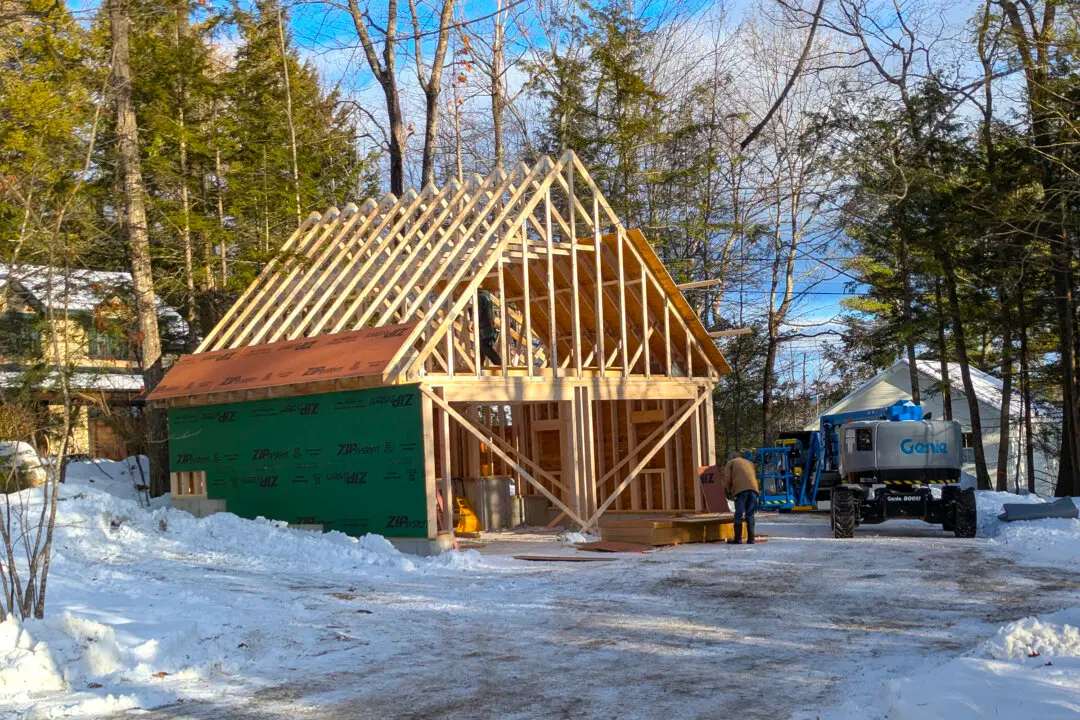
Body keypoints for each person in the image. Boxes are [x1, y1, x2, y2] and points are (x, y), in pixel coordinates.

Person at [721, 451, 760, 545]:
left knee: (738, 514)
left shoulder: (731, 463)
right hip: (754, 489)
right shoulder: (749, 463)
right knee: (750, 514)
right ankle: (751, 539)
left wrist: (728, 490)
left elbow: (727, 478)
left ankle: (737, 539)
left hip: (741, 490)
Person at [476, 287, 501, 367]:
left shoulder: (480, 297)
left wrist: (472, 322)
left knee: (484, 346)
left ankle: (499, 364)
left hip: (484, 326)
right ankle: (479, 367)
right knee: (481, 347)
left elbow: (478, 312)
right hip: (488, 325)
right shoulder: (487, 296)